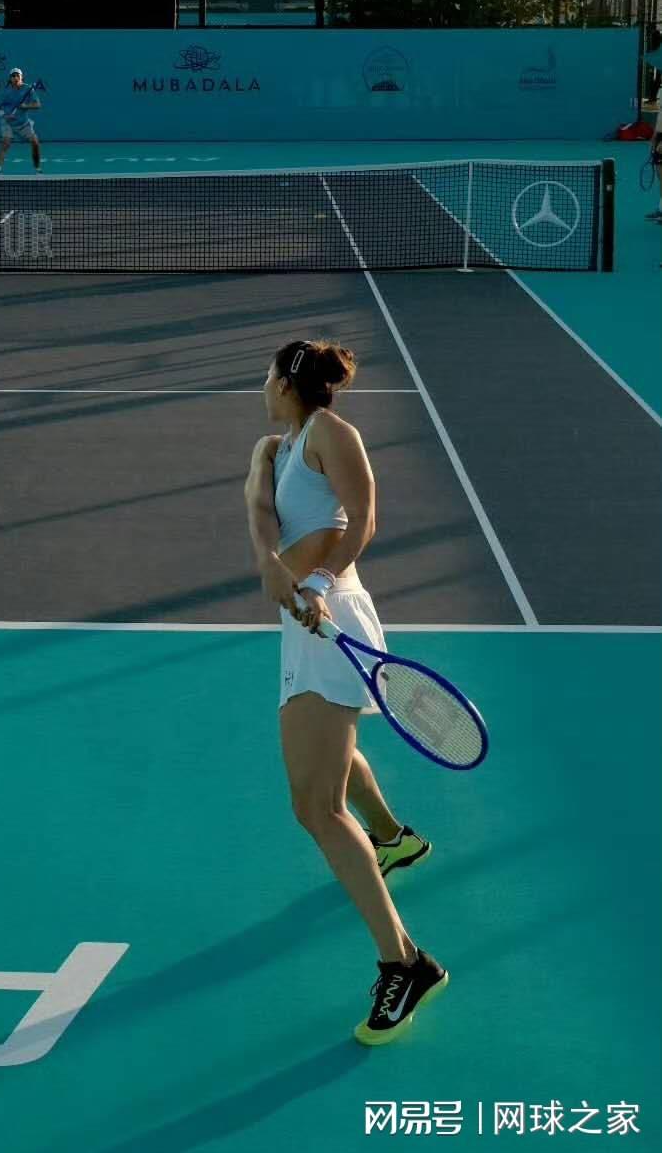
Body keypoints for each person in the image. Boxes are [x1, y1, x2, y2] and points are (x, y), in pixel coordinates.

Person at [244, 338, 447, 1046]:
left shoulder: (333, 433)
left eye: (267, 375)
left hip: (334, 616)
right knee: (328, 763)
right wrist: (271, 564)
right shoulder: (273, 448)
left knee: (316, 805)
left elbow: (362, 518)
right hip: (300, 622)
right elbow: (260, 510)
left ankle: (406, 963)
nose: (262, 386)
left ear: (287, 383)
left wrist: (319, 581)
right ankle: (393, 837)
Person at [0, 68, 42, 175]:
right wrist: (5, 115)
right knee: (5, 143)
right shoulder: (6, 92)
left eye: (18, 75)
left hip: (23, 122)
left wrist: (26, 106)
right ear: (10, 79)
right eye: (13, 76)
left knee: (35, 142)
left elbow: (38, 105)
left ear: (21, 77)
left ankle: (38, 169)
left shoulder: (28, 89)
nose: (15, 78)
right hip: (8, 123)